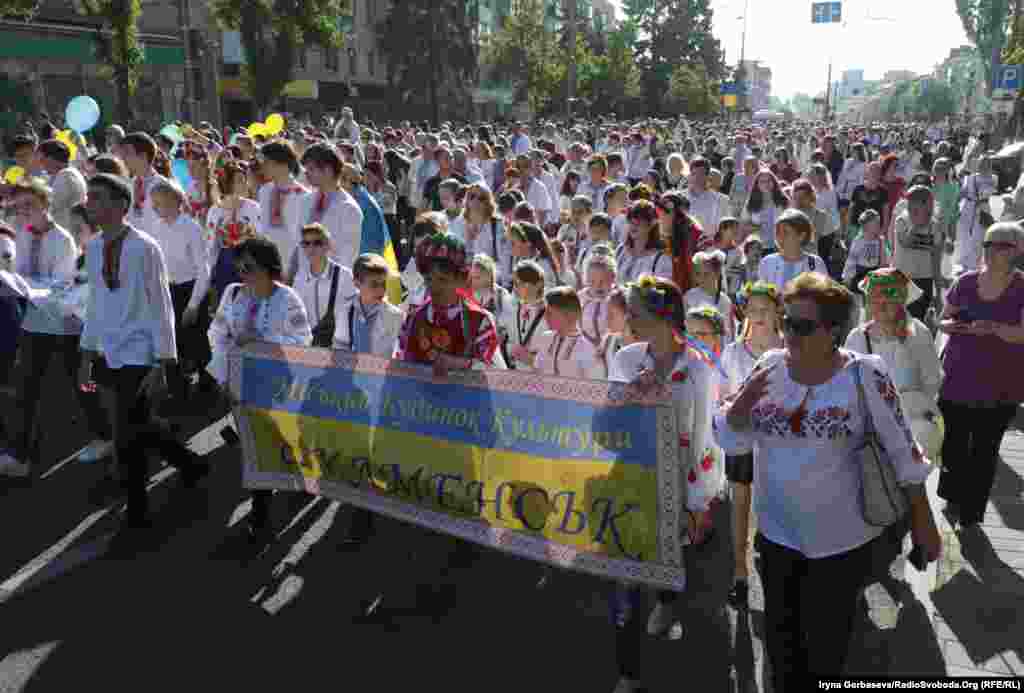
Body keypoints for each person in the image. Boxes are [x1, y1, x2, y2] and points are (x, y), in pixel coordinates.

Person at [715, 272, 940, 691]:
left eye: (801, 326)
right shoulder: (768, 369)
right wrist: (739, 408)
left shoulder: (865, 375)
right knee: (782, 653)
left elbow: (904, 453)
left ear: (833, 330)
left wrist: (924, 522)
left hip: (841, 548)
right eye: (786, 322)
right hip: (777, 542)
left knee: (825, 654)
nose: (788, 334)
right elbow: (730, 439)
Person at [78, 173, 211, 545]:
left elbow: (162, 306)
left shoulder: (144, 247)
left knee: (126, 436)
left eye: (99, 199)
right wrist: (86, 352)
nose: (91, 205)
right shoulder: (91, 248)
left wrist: (162, 362)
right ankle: (189, 463)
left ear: (121, 206)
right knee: (140, 425)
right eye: (90, 199)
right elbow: (96, 303)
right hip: (108, 349)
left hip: (141, 352)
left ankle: (137, 515)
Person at [607, 274, 720, 693]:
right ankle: (628, 673)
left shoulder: (698, 369)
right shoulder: (625, 360)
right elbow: (606, 428)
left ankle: (670, 602)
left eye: (637, 312)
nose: (630, 319)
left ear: (663, 318)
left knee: (671, 560)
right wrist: (629, 399)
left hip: (678, 484)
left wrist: (698, 500)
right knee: (625, 580)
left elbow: (704, 438)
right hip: (629, 482)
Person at [207, 235, 313, 544]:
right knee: (257, 452)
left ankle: (304, 472)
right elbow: (217, 333)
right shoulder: (233, 294)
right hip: (242, 384)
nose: (244, 275)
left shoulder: (288, 298)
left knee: (286, 439)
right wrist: (224, 373)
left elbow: (302, 341)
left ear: (269, 267)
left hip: (279, 385)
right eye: (239, 269)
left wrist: (262, 347)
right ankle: (261, 514)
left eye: (250, 268)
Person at [937, 223, 1024, 529]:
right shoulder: (965, 281)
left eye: (1000, 244)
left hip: (1002, 386)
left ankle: (972, 514)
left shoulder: (1021, 287)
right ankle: (951, 495)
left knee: (985, 451)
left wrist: (995, 329)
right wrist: (950, 325)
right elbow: (944, 317)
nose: (991, 249)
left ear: (1017, 250)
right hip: (957, 378)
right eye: (988, 243)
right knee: (954, 444)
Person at [720, 280, 784, 609]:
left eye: (765, 309)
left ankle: (777, 572)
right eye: (752, 309)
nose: (758, 315)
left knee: (775, 508)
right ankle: (740, 574)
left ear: (777, 313)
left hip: (780, 444)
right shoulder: (732, 352)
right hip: (744, 440)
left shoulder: (790, 349)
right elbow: (723, 396)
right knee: (739, 506)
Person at [845, 268, 943, 460]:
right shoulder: (857, 337)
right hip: (870, 435)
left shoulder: (919, 334)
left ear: (902, 300)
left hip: (911, 432)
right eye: (875, 297)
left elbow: (933, 380)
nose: (881, 304)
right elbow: (846, 384)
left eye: (889, 297)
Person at [148, 179, 213, 402]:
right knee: (170, 341)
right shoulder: (155, 228)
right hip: (168, 289)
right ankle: (177, 390)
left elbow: (203, 269)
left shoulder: (191, 227)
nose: (157, 209)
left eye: (161, 203)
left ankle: (208, 385)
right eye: (154, 204)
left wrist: (194, 304)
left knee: (197, 340)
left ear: (176, 202)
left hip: (191, 288)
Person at [299, 143, 363, 278]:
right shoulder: (305, 201)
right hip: (305, 283)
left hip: (332, 288)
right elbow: (300, 247)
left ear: (327, 170)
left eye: (311, 168)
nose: (306, 173)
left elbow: (347, 260)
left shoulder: (349, 209)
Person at [293, 223, 354, 348]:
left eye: (317, 243)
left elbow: (354, 314)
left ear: (328, 246)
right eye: (306, 243)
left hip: (338, 350)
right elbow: (295, 314)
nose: (311, 248)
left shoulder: (344, 275)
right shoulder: (299, 277)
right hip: (307, 348)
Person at [892, 185, 943, 322]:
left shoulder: (934, 225)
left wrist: (938, 293)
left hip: (924, 279)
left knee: (919, 324)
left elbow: (936, 259)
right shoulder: (902, 221)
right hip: (903, 278)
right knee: (901, 323)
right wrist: (916, 225)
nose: (908, 206)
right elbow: (906, 243)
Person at [256, 141, 309, 272]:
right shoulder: (264, 191)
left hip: (294, 266)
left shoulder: (304, 196)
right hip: (268, 263)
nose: (262, 167)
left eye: (266, 162)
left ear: (282, 163)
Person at [757, 209, 826, 290]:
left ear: (801, 236)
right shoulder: (767, 262)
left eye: (785, 232)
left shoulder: (815, 263)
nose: (780, 237)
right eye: (778, 232)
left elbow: (823, 296)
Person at [955, 155, 997, 275]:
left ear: (990, 165)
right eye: (982, 163)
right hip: (968, 208)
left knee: (978, 237)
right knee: (964, 236)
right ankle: (964, 264)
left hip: (982, 209)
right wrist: (956, 205)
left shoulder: (993, 178)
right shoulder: (970, 178)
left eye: (987, 163)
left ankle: (975, 265)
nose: (984, 165)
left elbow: (989, 191)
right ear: (978, 164)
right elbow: (962, 193)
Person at [616, 200, 672, 284]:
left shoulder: (661, 260)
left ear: (651, 224)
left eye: (639, 221)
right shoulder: (620, 251)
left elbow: (661, 291)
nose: (634, 225)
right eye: (631, 221)